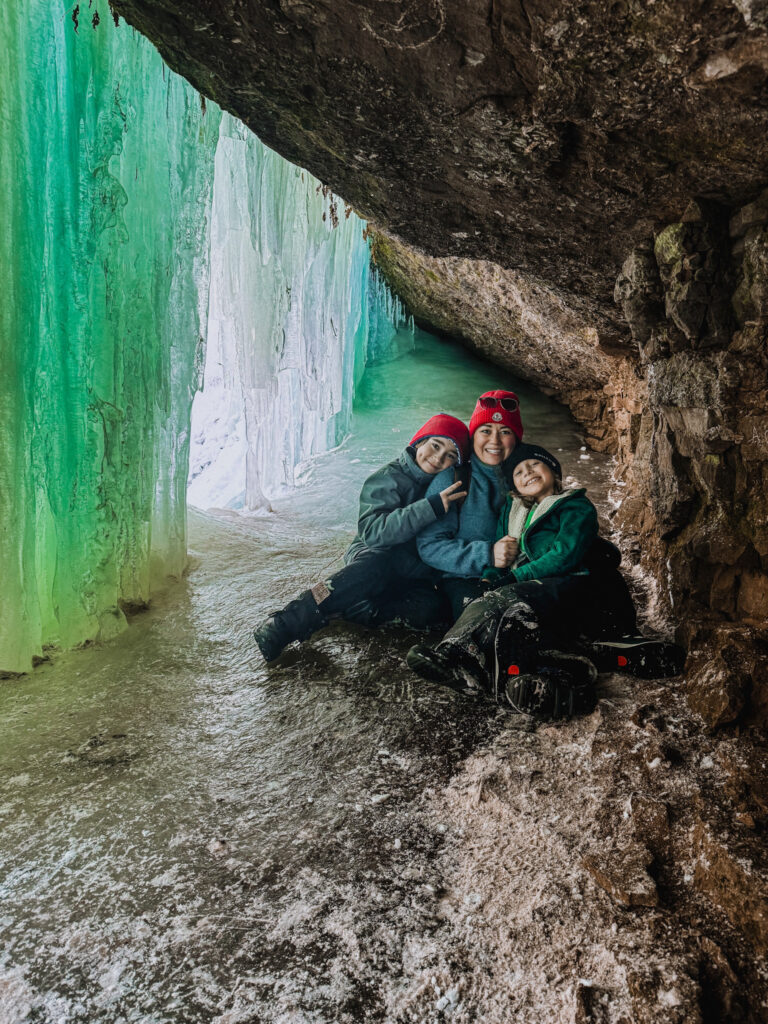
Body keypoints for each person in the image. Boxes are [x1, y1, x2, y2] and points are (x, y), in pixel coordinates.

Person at [407, 443, 686, 719]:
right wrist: (489, 580)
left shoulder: (575, 507)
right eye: (517, 472)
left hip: (577, 586)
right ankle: (550, 683)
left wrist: (512, 579)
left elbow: (564, 556)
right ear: (513, 486)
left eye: (534, 464)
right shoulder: (511, 510)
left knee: (505, 603)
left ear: (553, 470)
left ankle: (457, 656)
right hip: (548, 595)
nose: (527, 472)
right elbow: (501, 555)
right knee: (493, 609)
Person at [253, 413, 470, 662]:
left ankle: (360, 609)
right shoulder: (387, 478)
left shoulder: (445, 487)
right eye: (435, 445)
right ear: (419, 442)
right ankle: (286, 621)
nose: (439, 457)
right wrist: (430, 507)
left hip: (409, 570)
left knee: (430, 610)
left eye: (450, 455)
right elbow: (374, 534)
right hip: (373, 555)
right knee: (371, 571)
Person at [417, 390, 524, 619]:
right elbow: (429, 546)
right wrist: (487, 554)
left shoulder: (527, 476)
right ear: (473, 436)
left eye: (504, 432)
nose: (494, 441)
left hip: (518, 573)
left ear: (516, 439)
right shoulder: (454, 479)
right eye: (485, 431)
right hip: (464, 578)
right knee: (486, 617)